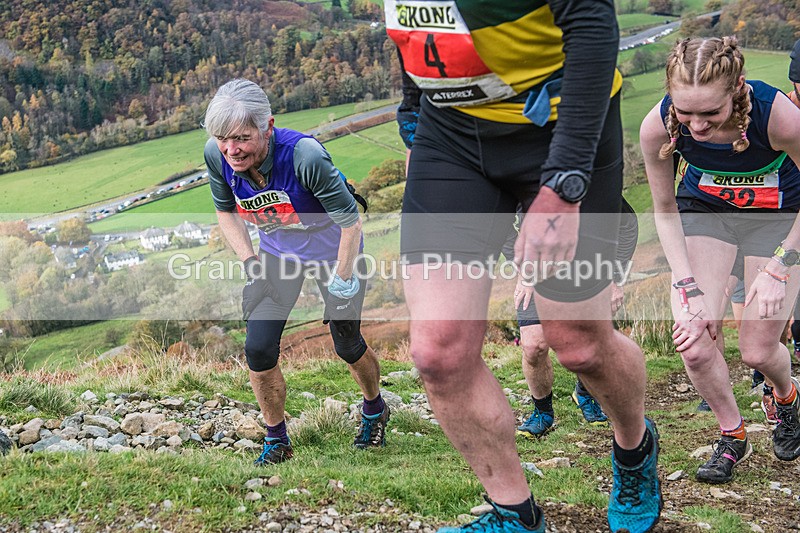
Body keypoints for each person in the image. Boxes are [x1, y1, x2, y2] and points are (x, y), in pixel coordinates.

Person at [388, 1, 661, 532]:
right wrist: (411, 109)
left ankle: (634, 448)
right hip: (449, 135)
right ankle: (516, 515)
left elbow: (591, 19)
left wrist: (564, 182)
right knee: (438, 352)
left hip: (562, 125)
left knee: (578, 342)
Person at [202, 79, 389, 465]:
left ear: (267, 127)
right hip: (278, 254)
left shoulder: (304, 156)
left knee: (347, 343)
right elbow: (225, 212)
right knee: (257, 347)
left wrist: (342, 280)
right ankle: (277, 440)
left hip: (333, 250)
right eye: (222, 138)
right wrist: (252, 267)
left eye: (241, 138)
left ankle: (375, 408)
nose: (230, 149)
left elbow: (351, 223)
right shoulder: (217, 154)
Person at [640, 36, 800, 485]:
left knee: (758, 349)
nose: (696, 126)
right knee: (692, 336)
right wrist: (686, 285)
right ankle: (732, 435)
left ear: (737, 90)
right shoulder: (658, 127)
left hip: (778, 218)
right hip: (706, 214)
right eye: (684, 112)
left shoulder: (779, 116)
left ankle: (786, 398)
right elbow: (664, 208)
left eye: (710, 113)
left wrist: (780, 266)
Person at [513, 199, 639, 438]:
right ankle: (542, 413)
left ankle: (584, 393)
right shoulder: (520, 177)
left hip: (588, 271)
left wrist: (615, 277)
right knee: (533, 346)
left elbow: (628, 224)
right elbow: (505, 229)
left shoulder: (588, 179)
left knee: (586, 341)